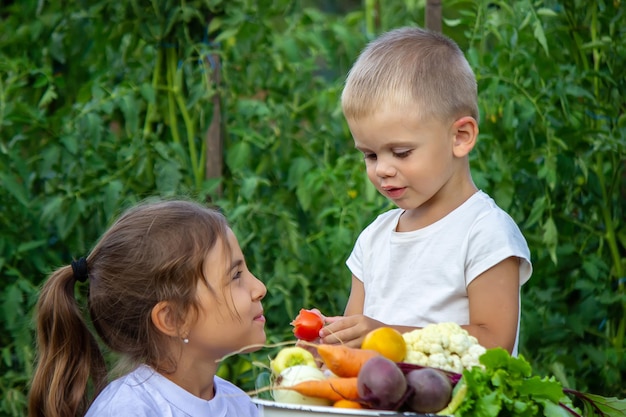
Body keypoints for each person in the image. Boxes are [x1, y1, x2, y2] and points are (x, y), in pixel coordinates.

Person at [318, 26, 532, 356]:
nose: (382, 169)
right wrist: (330, 342)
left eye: (401, 152)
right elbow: (356, 351)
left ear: (460, 137)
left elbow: (494, 342)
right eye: (370, 155)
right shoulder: (374, 239)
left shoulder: (484, 232)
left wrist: (388, 334)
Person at [28, 199, 267, 417]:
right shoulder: (127, 411)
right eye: (236, 276)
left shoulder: (238, 404)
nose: (259, 288)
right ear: (173, 318)